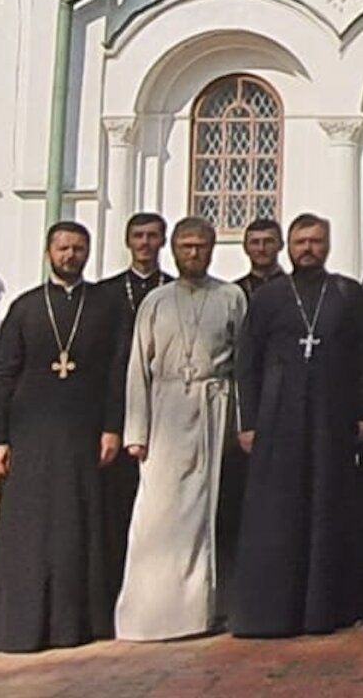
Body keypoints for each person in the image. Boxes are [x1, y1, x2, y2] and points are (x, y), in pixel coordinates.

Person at [0, 221, 132, 653]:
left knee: (80, 526)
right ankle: (19, 623)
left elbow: (116, 372)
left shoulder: (105, 306)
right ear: (49, 252)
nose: (71, 255)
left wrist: (112, 427)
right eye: (63, 248)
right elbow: (2, 375)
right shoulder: (25, 308)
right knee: (28, 529)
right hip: (30, 436)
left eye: (79, 248)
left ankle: (77, 623)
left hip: (85, 435)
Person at [232, 213, 363, 639]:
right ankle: (273, 611)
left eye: (316, 241)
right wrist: (248, 422)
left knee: (327, 507)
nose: (308, 249)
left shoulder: (347, 294)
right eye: (301, 242)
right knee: (278, 514)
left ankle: (326, 609)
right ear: (289, 247)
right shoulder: (269, 297)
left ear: (327, 245)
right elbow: (248, 362)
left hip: (332, 419)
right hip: (278, 420)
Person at [115, 216, 246, 642]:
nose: (193, 254)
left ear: (212, 249)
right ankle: (148, 612)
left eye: (201, 246)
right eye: (186, 246)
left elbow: (244, 364)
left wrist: (241, 426)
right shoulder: (155, 301)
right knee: (155, 514)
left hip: (214, 407)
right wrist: (136, 431)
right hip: (165, 410)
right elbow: (138, 367)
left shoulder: (230, 297)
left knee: (205, 511)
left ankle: (200, 610)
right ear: (173, 249)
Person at [98, 211, 170, 572]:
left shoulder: (173, 290)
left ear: (163, 241)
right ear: (128, 241)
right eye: (138, 236)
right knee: (114, 502)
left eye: (152, 236)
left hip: (164, 408)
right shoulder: (104, 293)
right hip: (115, 404)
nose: (145, 243)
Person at [235, 218, 284, 303]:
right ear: (245, 248)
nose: (261, 248)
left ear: (281, 245)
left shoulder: (294, 288)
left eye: (268, 241)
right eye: (255, 242)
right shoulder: (235, 291)